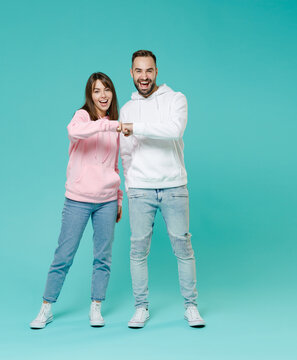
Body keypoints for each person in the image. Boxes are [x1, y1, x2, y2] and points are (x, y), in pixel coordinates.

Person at [119, 50, 205, 328]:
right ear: (131, 73)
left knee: (183, 246)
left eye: (149, 71)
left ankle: (191, 306)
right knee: (138, 251)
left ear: (156, 72)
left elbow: (173, 130)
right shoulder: (127, 109)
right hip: (141, 190)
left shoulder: (176, 99)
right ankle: (140, 307)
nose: (144, 77)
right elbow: (127, 152)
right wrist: (130, 186)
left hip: (174, 187)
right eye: (138, 71)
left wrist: (135, 127)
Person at [30, 72, 123, 329]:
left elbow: (115, 165)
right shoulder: (82, 117)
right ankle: (46, 308)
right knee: (64, 255)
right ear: (89, 95)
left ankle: (96, 307)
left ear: (112, 93)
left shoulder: (115, 126)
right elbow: (74, 132)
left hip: (106, 201)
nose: (103, 95)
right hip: (78, 200)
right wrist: (109, 124)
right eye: (97, 91)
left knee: (103, 257)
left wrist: (118, 198)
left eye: (107, 90)